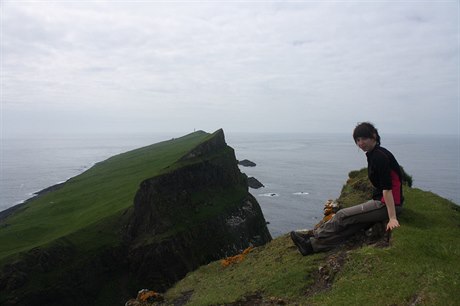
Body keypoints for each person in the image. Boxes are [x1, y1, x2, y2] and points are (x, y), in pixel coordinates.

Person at [291, 122, 404, 255]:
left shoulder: (380, 156)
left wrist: (392, 218)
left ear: (373, 136)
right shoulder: (374, 154)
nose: (361, 143)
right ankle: (312, 246)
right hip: (384, 201)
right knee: (352, 227)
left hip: (387, 204)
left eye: (364, 138)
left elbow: (387, 189)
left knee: (342, 215)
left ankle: (314, 235)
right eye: (358, 140)